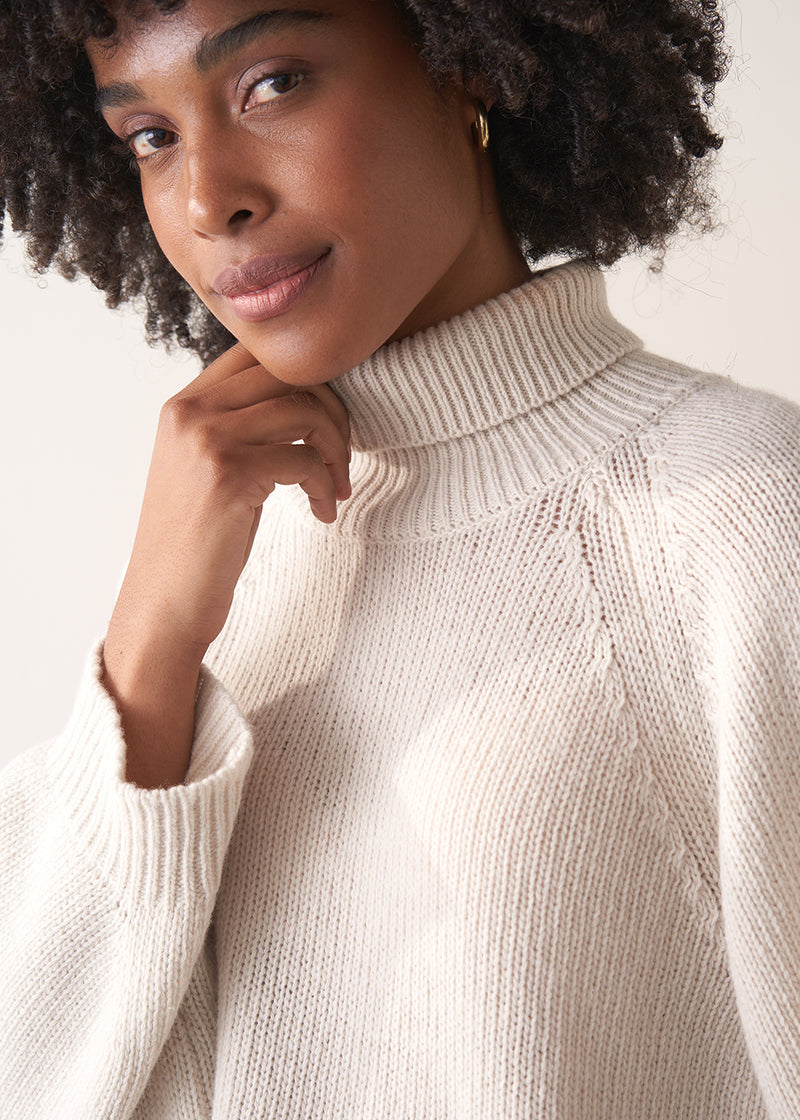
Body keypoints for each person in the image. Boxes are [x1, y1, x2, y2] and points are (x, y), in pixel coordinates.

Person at [0, 0, 798, 1116]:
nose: (204, 198)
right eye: (150, 136)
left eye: (271, 83)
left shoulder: (741, 516)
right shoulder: (221, 556)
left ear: (462, 64)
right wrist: (150, 639)